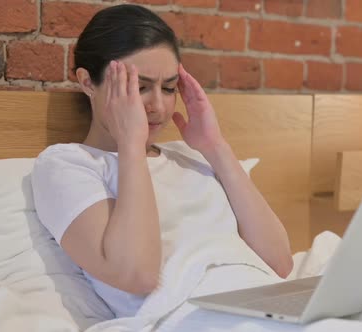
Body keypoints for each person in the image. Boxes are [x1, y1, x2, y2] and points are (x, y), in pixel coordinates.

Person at [31, 4, 293, 318]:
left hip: (259, 299)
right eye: (139, 88)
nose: (158, 105)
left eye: (169, 88)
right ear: (87, 82)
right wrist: (131, 145)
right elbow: (136, 275)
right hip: (189, 315)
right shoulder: (68, 165)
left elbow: (279, 262)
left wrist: (215, 146)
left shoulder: (192, 156)